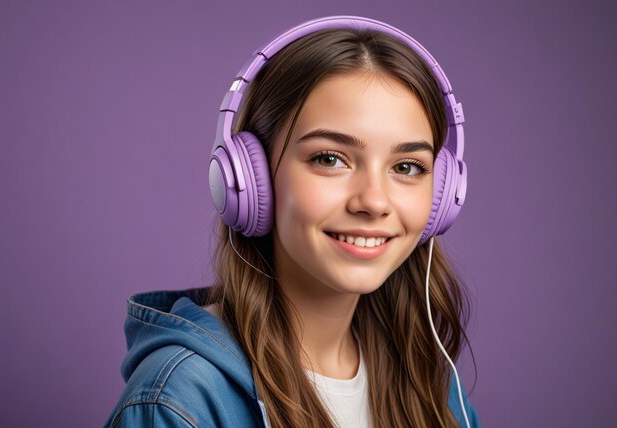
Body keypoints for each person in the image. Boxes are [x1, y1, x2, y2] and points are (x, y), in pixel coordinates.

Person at [105, 16, 481, 428]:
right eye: (329, 159)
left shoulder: (429, 381)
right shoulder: (181, 398)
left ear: (443, 194)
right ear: (250, 180)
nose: (374, 201)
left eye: (407, 166)